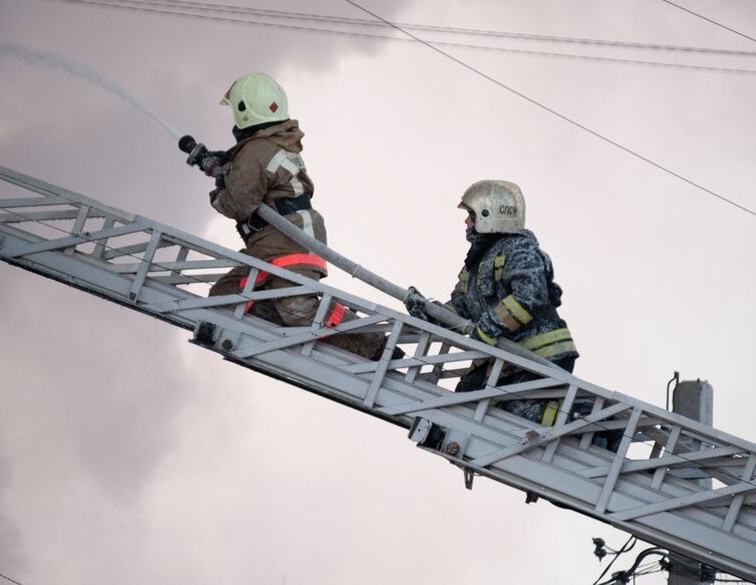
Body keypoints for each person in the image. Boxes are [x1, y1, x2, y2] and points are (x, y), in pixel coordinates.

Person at [199, 72, 381, 357]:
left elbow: (238, 204)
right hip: (279, 242)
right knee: (225, 296)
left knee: (298, 309)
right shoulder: (272, 143)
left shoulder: (256, 150)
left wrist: (219, 190)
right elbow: (256, 172)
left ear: (244, 111)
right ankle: (260, 329)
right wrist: (226, 163)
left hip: (287, 242)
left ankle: (373, 342)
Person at [406, 180, 578, 426]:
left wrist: (487, 327)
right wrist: (428, 313)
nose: (466, 222)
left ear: (490, 215)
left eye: (471, 215)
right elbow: (460, 308)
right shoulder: (478, 263)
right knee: (465, 403)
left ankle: (584, 425)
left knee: (516, 419)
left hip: (539, 356)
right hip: (505, 360)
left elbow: (530, 296)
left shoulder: (519, 248)